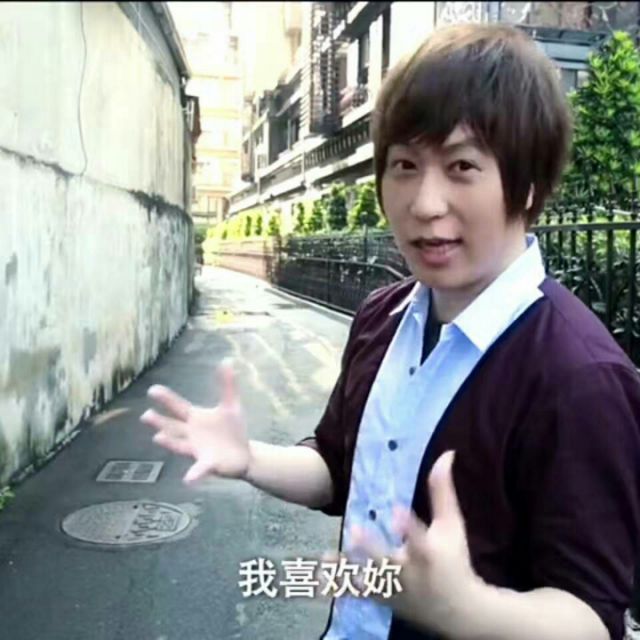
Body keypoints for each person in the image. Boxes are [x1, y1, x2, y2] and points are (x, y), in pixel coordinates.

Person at [140, 22, 640, 640]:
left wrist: (463, 610)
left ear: (529, 185)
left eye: (462, 166)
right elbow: (336, 466)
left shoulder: (580, 377)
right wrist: (248, 459)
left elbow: (591, 616)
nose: (424, 203)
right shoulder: (383, 316)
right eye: (404, 165)